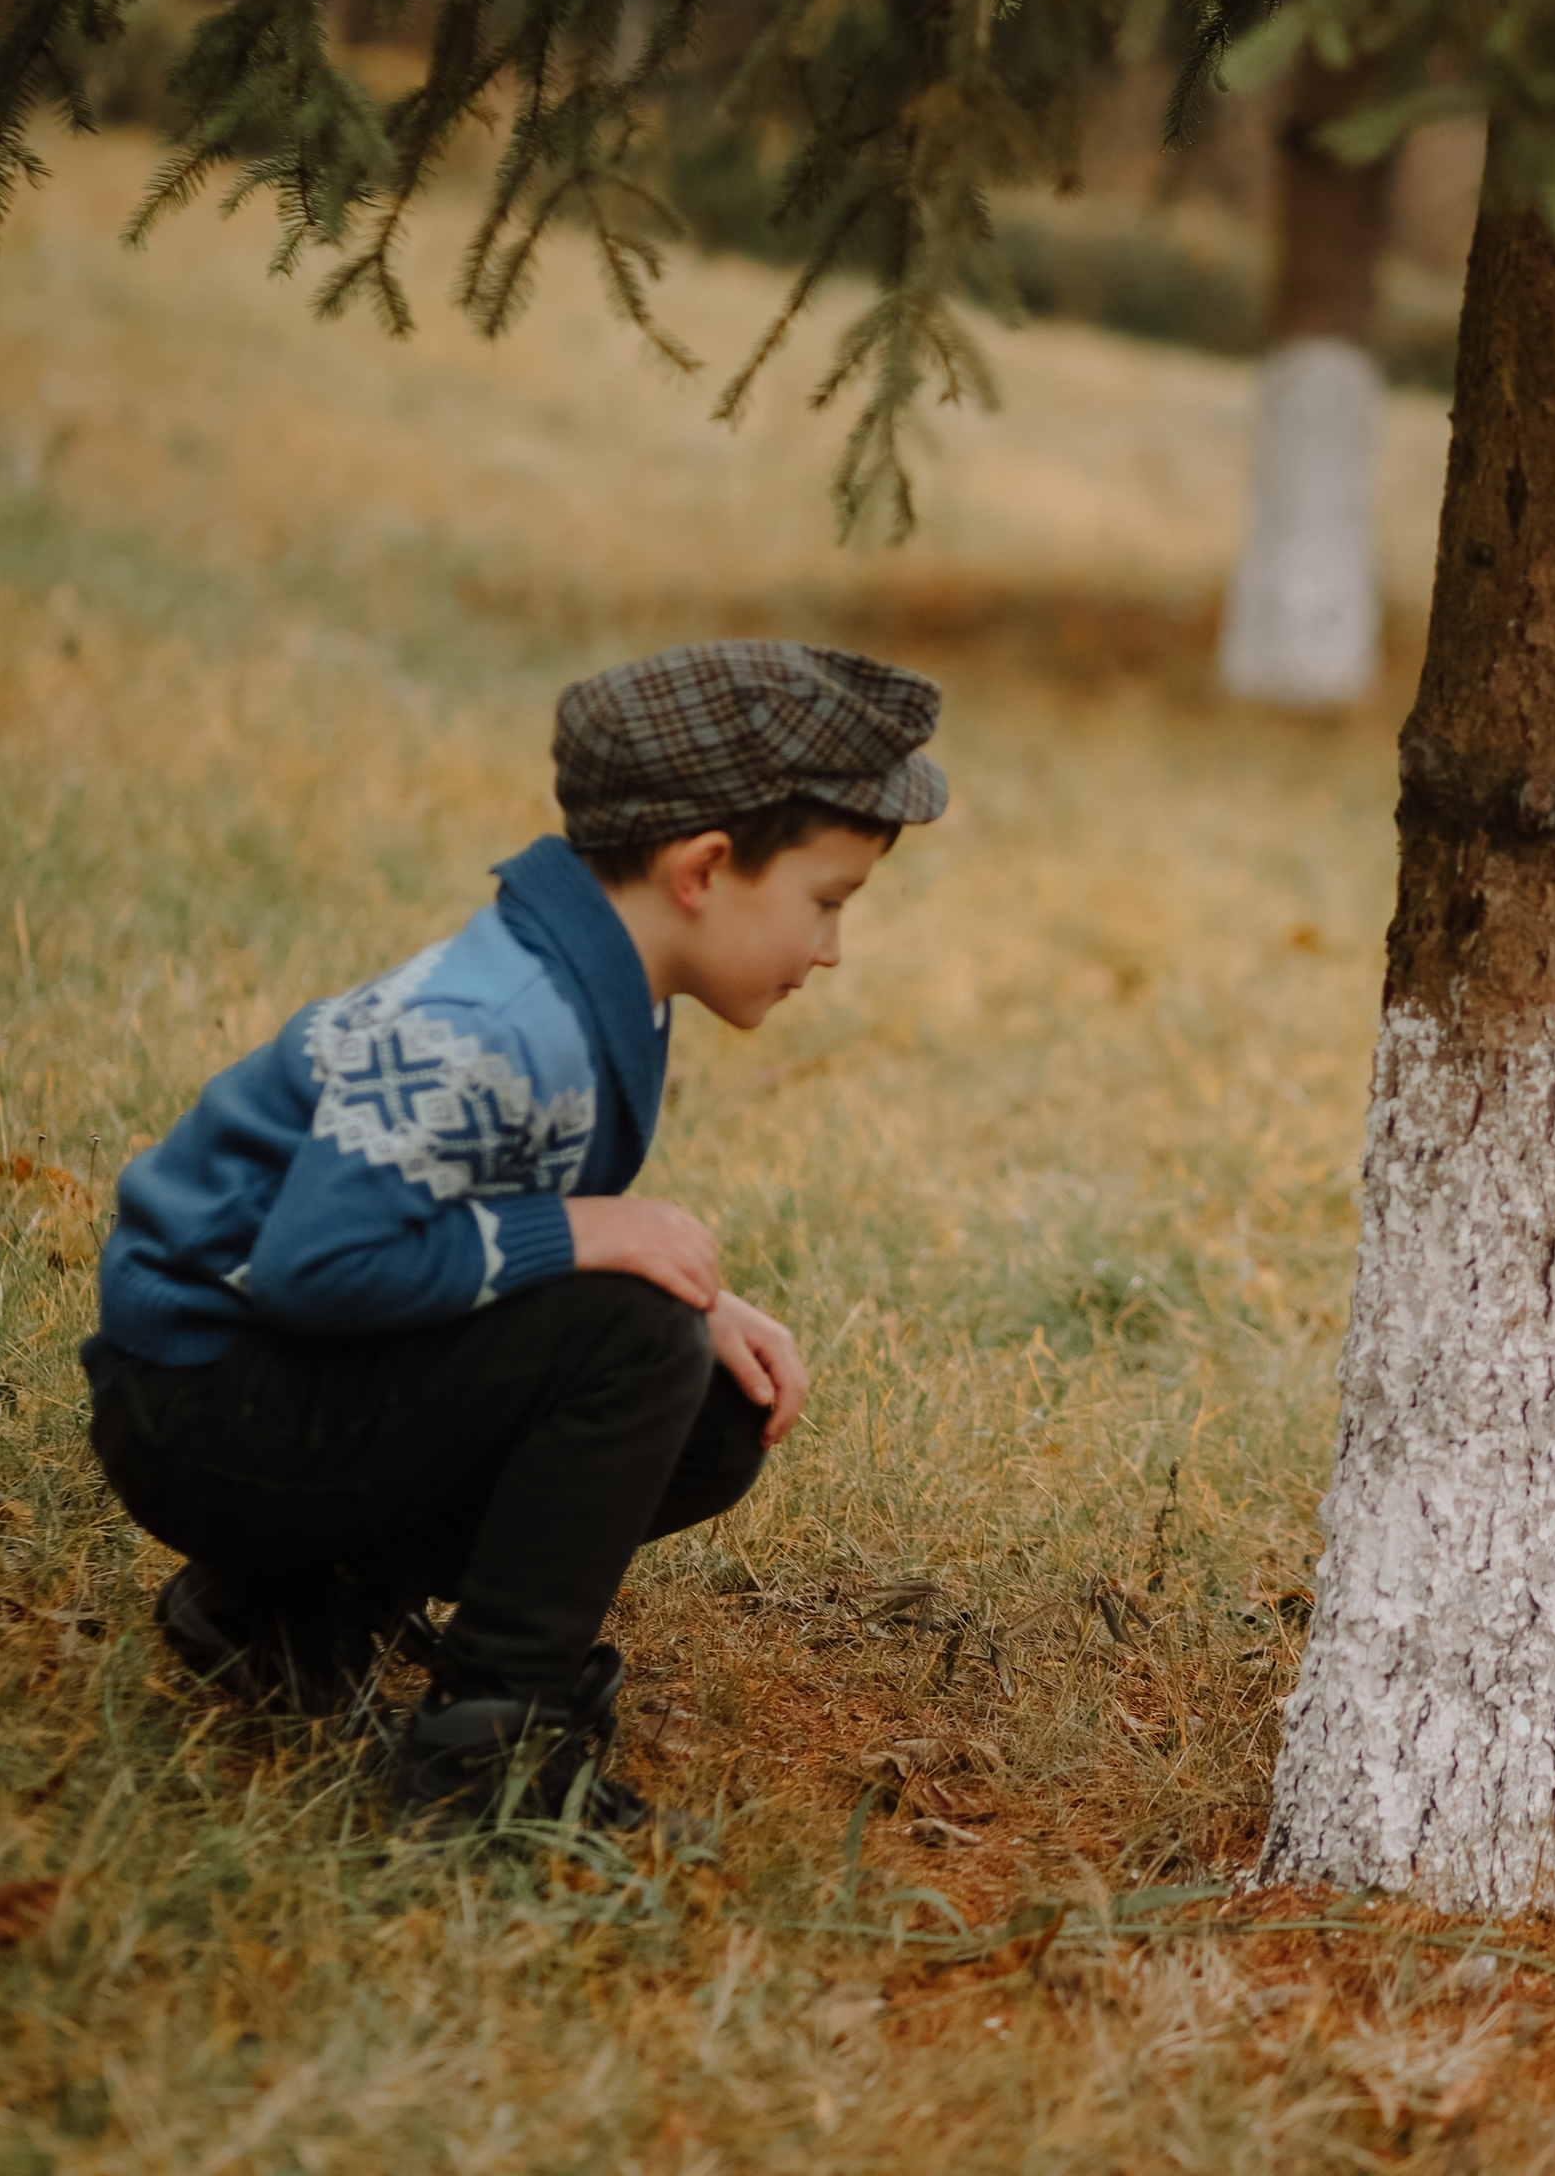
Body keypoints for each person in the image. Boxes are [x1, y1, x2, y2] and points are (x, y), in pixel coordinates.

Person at [81, 638, 945, 1831]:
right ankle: (488, 1753)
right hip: (204, 1407)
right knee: (637, 1337)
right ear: (702, 868)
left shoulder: (606, 982)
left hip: (285, 1386)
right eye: (826, 902)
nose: (832, 948)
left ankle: (286, 1609)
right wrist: (588, 1241)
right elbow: (313, 1267)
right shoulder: (491, 1024)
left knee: (701, 1393)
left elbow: (481, 1221)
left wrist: (674, 1286)